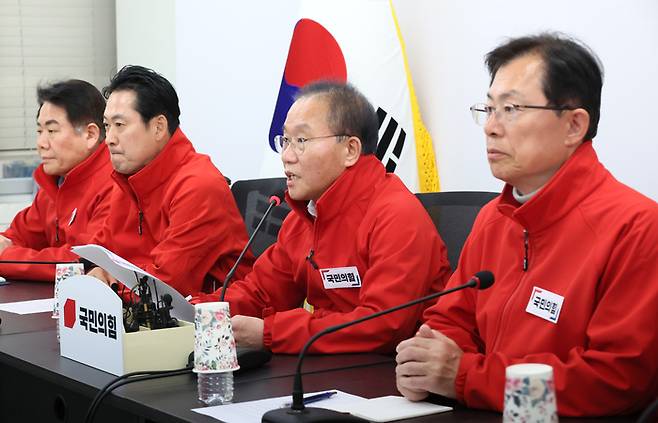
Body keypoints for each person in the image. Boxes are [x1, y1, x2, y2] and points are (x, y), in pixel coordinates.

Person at [395, 33, 658, 416]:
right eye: (488, 110)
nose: (491, 127)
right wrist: (426, 365)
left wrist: (465, 376)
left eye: (512, 109)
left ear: (574, 126)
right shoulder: (494, 217)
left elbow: (613, 382)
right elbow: (449, 319)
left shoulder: (636, 227)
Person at [196, 81, 452, 354]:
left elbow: (383, 325)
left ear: (351, 150)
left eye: (301, 141)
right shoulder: (305, 216)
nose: (286, 156)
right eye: (285, 141)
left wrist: (272, 332)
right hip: (327, 366)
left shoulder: (396, 215)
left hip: (391, 376)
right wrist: (195, 313)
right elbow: (260, 292)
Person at [87, 65, 253, 297]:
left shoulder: (198, 185)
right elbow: (100, 253)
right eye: (107, 126)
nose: (109, 139)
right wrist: (96, 272)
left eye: (120, 125)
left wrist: (108, 287)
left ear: (158, 127)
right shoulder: (128, 179)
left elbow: (165, 288)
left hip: (206, 323)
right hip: (146, 319)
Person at [0, 80, 112, 282]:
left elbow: (83, 261)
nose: (41, 143)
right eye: (39, 131)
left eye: (51, 131)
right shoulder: (56, 181)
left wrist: (6, 258)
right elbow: (18, 235)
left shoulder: (114, 183)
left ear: (90, 134)